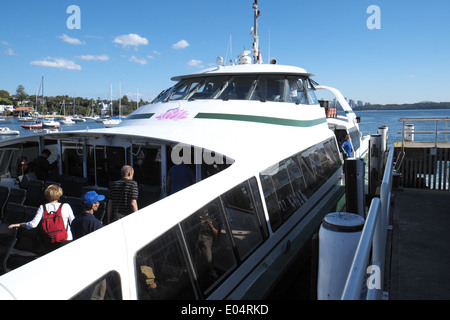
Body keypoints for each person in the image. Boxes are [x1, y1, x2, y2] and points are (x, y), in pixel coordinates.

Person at [8, 184, 75, 252]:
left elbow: (33, 224)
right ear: (59, 194)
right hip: (66, 239)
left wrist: (19, 224)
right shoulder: (66, 206)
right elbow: (73, 222)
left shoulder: (42, 207)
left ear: (46, 195)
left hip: (49, 240)